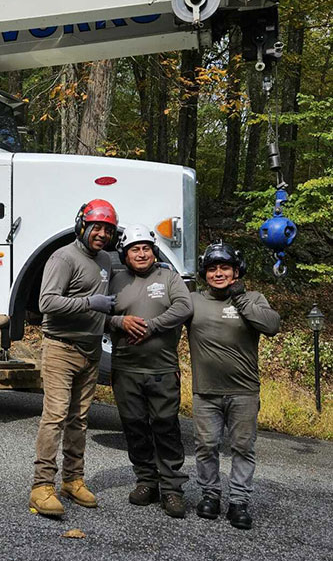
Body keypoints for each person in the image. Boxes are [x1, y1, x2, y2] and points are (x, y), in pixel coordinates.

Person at [29, 199, 118, 517]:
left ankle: (73, 479)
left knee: (79, 420)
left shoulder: (106, 259)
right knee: (54, 417)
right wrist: (90, 303)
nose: (102, 234)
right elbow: (47, 302)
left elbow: (104, 302)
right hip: (61, 348)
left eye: (107, 229)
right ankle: (41, 486)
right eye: (97, 227)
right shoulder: (63, 256)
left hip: (91, 350)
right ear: (82, 225)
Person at [187, 241, 280, 530]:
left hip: (244, 392)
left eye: (224, 267)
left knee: (242, 447)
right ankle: (210, 495)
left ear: (236, 271)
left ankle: (239, 502)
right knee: (206, 446)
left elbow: (271, 325)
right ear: (205, 273)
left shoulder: (253, 298)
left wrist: (239, 299)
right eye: (212, 268)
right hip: (206, 391)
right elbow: (163, 319)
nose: (218, 273)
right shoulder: (194, 300)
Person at [107, 224, 193, 518]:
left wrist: (151, 326)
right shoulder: (115, 280)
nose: (141, 254)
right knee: (135, 428)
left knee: (166, 427)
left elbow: (184, 307)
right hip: (126, 369)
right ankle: (146, 481)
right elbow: (100, 315)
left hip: (162, 369)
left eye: (145, 248)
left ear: (153, 251)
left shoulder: (168, 277)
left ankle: (172, 489)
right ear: (125, 254)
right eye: (134, 249)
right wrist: (121, 323)